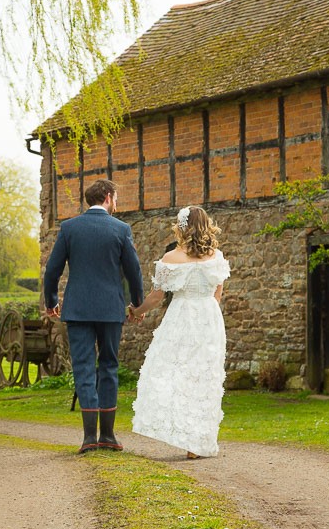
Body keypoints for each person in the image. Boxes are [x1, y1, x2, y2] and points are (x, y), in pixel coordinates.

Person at [43, 179, 144, 453]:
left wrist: (51, 301)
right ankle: (108, 436)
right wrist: (137, 303)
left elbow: (52, 270)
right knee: (109, 366)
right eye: (117, 197)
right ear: (109, 197)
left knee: (84, 368)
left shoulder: (69, 228)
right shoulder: (121, 229)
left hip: (78, 309)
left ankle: (89, 438)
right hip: (110, 310)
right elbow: (134, 271)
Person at [128, 206, 230, 459]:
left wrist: (137, 310)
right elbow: (217, 296)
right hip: (209, 318)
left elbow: (157, 296)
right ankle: (197, 441)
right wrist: (205, 316)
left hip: (183, 316)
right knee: (203, 377)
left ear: (181, 227)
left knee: (173, 372)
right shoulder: (217, 257)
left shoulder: (172, 258)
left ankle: (187, 435)